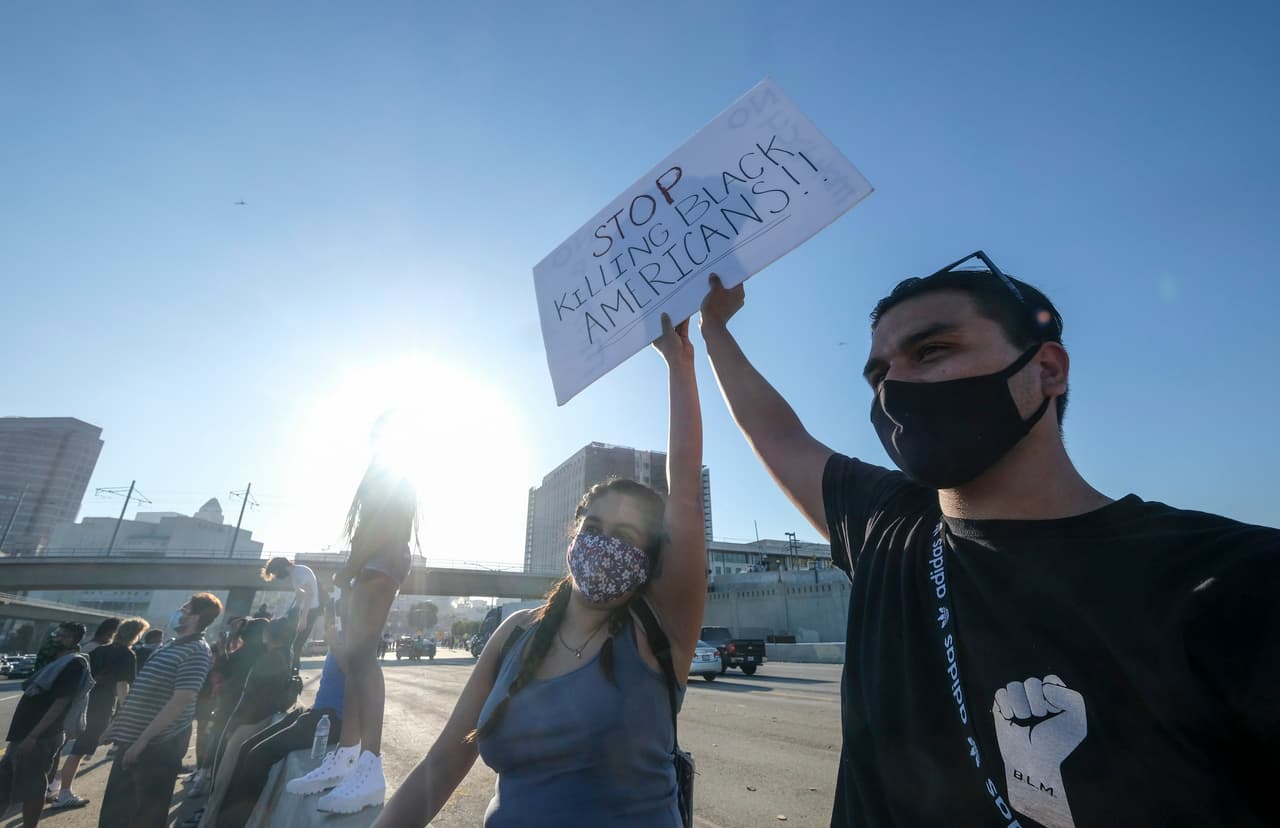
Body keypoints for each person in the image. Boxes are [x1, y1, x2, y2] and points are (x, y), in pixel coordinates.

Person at [697, 256, 1280, 826]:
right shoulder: (889, 529)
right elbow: (774, 431)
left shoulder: (1238, 582)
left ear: (1048, 370)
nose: (893, 387)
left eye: (932, 351)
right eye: (878, 374)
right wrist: (712, 329)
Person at [375, 312, 706, 827]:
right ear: (573, 537)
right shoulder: (515, 635)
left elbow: (684, 488)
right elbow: (442, 764)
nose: (602, 545)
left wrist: (680, 364)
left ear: (648, 561)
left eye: (623, 537)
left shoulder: (658, 632)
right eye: (593, 528)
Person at [285, 418, 420, 815]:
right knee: (353, 663)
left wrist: (353, 567)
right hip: (372, 561)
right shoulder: (384, 468)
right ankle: (346, 757)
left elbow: (385, 523)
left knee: (361, 658)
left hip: (382, 559)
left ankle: (370, 767)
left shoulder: (396, 473)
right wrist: (351, 569)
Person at [98, 593, 223, 828]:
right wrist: (118, 724)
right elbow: (143, 692)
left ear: (196, 616)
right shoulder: (171, 646)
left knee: (143, 814)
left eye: (185, 609)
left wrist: (142, 742)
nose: (180, 611)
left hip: (157, 746)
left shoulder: (196, 650)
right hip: (135, 741)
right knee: (116, 812)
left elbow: (182, 699)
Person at [214, 618, 347, 827]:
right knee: (248, 748)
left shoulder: (353, 635)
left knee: (256, 757)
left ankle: (231, 824)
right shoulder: (343, 630)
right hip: (316, 712)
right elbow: (299, 629)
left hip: (330, 719)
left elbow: (356, 673)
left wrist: (333, 644)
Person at [192, 617, 295, 828]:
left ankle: (208, 821)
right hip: (259, 719)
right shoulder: (285, 654)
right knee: (230, 778)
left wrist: (233, 723)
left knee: (223, 779)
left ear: (265, 634)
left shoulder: (263, 658)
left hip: (243, 721)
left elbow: (245, 692)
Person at [50, 617, 148, 811]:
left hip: (84, 701)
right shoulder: (127, 655)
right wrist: (126, 709)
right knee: (80, 750)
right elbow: (122, 685)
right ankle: (64, 793)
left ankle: (53, 783)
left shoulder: (100, 650)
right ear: (136, 635)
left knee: (68, 745)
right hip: (101, 705)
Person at [0, 622, 87, 828]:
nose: (57, 638)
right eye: (57, 633)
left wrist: (33, 736)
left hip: (40, 736)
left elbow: (61, 703)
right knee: (4, 786)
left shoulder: (73, 663)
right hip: (21, 733)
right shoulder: (51, 662)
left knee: (32, 788)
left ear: (75, 640)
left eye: (64, 636)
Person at [262, 556, 322, 667]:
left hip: (310, 611)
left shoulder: (299, 574)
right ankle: (287, 669)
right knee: (290, 642)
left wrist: (303, 618)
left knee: (296, 645)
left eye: (275, 572)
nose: (276, 576)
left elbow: (309, 594)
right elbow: (301, 595)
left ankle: (293, 672)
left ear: (280, 567)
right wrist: (293, 610)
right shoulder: (296, 572)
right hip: (304, 610)